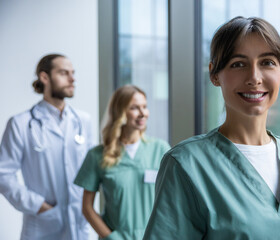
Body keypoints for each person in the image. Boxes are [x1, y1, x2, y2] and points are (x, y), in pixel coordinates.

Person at [143, 16, 280, 239]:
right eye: (238, 64)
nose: (254, 78)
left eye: (267, 62)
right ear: (214, 74)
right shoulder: (186, 165)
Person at [0, 54, 93, 240]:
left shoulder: (83, 121)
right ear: (45, 77)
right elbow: (3, 174)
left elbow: (91, 171)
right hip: (42, 226)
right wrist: (39, 206)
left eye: (73, 73)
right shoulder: (21, 123)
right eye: (64, 73)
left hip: (79, 225)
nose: (72, 78)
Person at [74, 85, 170, 240]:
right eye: (134, 108)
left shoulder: (160, 149)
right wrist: (111, 237)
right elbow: (87, 208)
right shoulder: (97, 155)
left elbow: (172, 200)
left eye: (144, 107)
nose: (142, 113)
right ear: (120, 112)